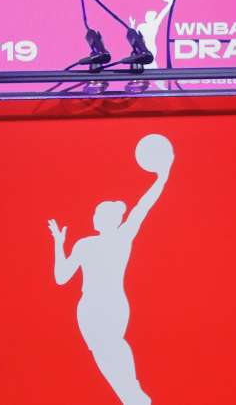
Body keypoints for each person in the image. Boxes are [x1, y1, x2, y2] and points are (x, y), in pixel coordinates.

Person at [47, 133, 174, 405]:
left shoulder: (121, 237)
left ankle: (135, 396)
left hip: (110, 304)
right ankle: (133, 396)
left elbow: (143, 207)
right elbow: (60, 278)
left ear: (110, 219)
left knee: (112, 347)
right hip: (89, 307)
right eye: (94, 213)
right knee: (105, 353)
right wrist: (59, 244)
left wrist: (161, 179)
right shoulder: (84, 244)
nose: (94, 216)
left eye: (99, 213)